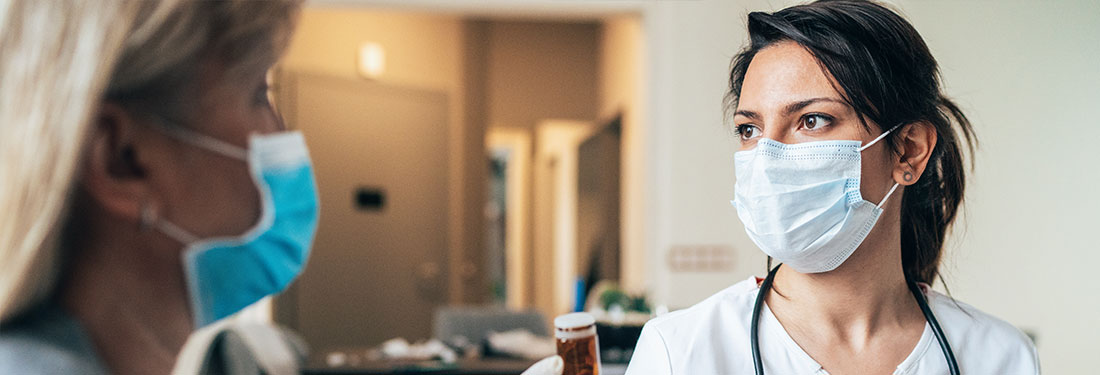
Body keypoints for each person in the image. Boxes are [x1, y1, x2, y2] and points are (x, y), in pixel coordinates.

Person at [624, 1, 1039, 374]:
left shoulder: (1000, 356)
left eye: (812, 120)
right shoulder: (679, 352)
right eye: (749, 129)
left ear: (908, 152)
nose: (766, 159)